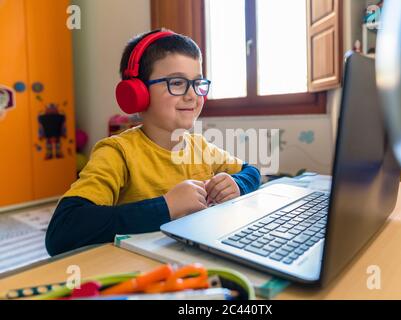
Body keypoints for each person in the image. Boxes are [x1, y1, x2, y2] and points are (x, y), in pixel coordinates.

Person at [45, 29, 261, 256]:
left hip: (194, 261)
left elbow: (252, 171)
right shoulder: (117, 153)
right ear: (137, 93)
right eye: (177, 83)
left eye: (197, 83)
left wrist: (237, 185)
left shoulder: (201, 147)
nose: (192, 96)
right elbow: (62, 231)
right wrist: (166, 206)